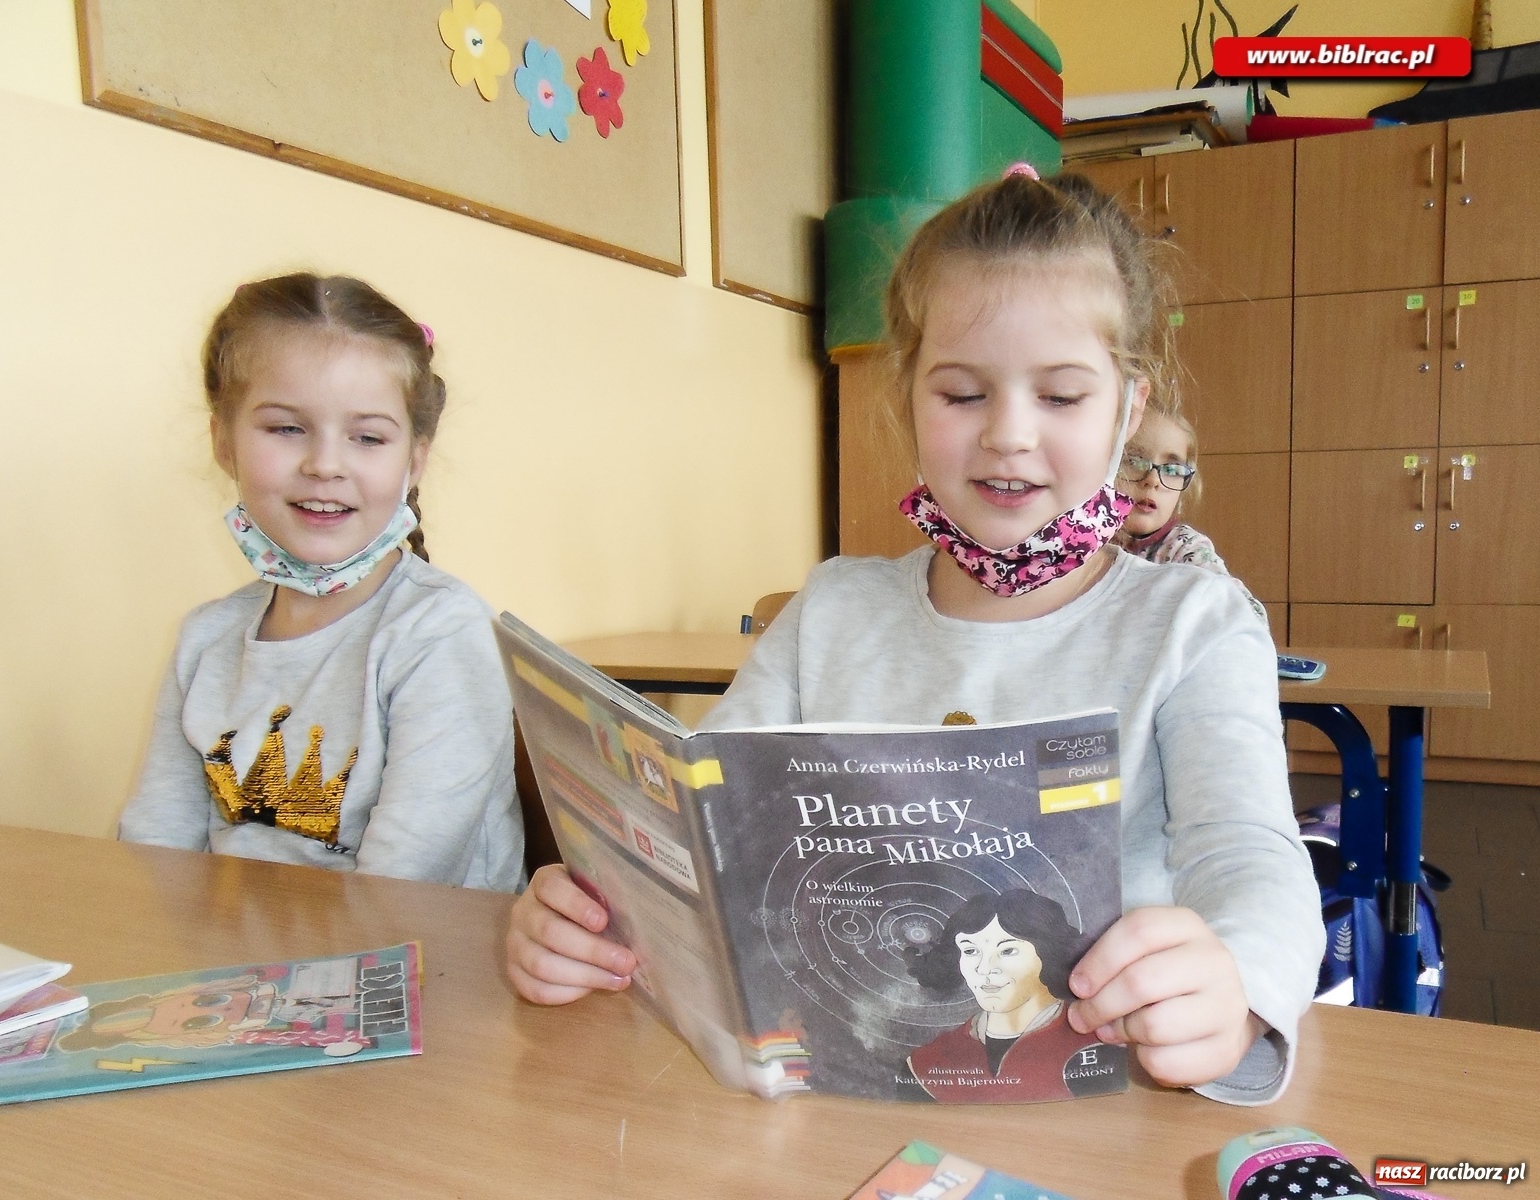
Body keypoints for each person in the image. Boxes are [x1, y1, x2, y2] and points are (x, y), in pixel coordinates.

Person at [505, 167, 1323, 1104]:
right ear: (908, 396)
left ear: (1129, 409)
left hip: (1096, 1102)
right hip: (837, 1087)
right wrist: (595, 920)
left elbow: (1251, 855)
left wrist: (1240, 991)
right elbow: (700, 826)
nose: (1008, 435)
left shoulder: (1193, 625)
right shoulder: (832, 613)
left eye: (1061, 396)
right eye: (963, 394)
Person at [120, 273, 524, 891]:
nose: (326, 465)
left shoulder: (440, 633)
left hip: (413, 966)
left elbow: (402, 886)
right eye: (286, 428)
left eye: (367, 438)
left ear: (414, 459)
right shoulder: (206, 638)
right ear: (223, 441)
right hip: (235, 975)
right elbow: (155, 858)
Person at [904, 890, 1124, 1103]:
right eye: (970, 951)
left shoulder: (1101, 1044)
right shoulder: (926, 1063)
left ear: (1046, 953)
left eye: (1007, 951)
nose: (984, 969)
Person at [1116, 407, 1267, 620]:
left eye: (1172, 470)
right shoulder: (1078, 540)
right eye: (1133, 461)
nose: (1152, 479)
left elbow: (1249, 617)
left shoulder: (1182, 548)